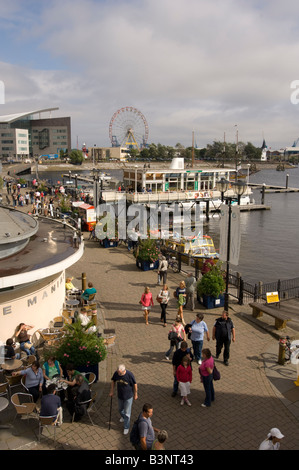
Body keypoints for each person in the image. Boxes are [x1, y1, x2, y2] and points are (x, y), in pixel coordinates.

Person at [109, 364, 138, 435]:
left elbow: (135, 384)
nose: (118, 374)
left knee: (127, 413)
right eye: (118, 372)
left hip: (128, 397)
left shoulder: (129, 375)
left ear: (124, 371)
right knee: (120, 409)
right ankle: (123, 417)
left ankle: (126, 427)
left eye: (120, 373)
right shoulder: (116, 373)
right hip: (120, 396)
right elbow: (113, 380)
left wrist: (136, 394)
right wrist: (112, 390)